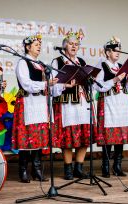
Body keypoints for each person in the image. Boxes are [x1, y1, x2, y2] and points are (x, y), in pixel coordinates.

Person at [12, 33, 58, 183]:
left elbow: (49, 85)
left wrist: (60, 85)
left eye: (40, 44)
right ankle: (23, 169)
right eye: (36, 44)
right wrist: (46, 84)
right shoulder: (23, 63)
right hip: (28, 102)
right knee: (27, 137)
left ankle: (37, 169)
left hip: (41, 103)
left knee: (38, 136)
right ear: (27, 46)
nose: (39, 47)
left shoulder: (42, 64)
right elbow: (26, 84)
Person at [51, 31, 96, 180]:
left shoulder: (81, 62)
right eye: (71, 44)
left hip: (83, 102)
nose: (74, 46)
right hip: (67, 103)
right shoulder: (57, 62)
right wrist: (65, 85)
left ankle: (79, 167)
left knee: (84, 135)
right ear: (65, 46)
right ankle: (68, 169)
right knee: (68, 137)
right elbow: (52, 87)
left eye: (76, 44)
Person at [94, 37, 128, 178]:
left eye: (119, 50)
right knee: (109, 135)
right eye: (115, 50)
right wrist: (115, 79)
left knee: (121, 135)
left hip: (122, 102)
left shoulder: (121, 67)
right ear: (107, 52)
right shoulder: (102, 66)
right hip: (109, 102)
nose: (118, 53)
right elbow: (97, 86)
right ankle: (105, 165)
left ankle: (117, 165)